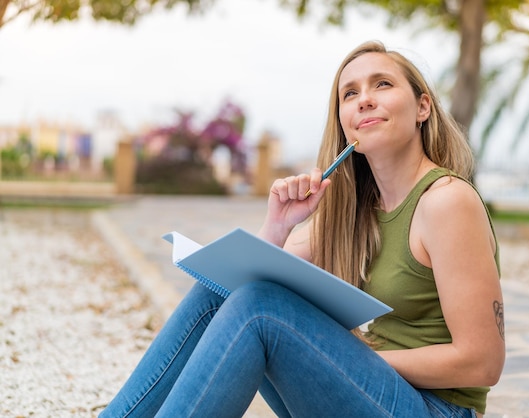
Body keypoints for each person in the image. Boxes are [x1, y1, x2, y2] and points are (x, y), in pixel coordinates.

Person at [99, 40, 505, 418]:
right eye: (350, 94)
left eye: (382, 84)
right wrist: (278, 224)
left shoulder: (446, 200)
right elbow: (242, 282)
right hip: (376, 392)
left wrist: (347, 358)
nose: (365, 99)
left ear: (422, 108)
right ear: (345, 123)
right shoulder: (357, 209)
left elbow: (482, 362)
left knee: (259, 309)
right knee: (219, 292)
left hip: (436, 409)